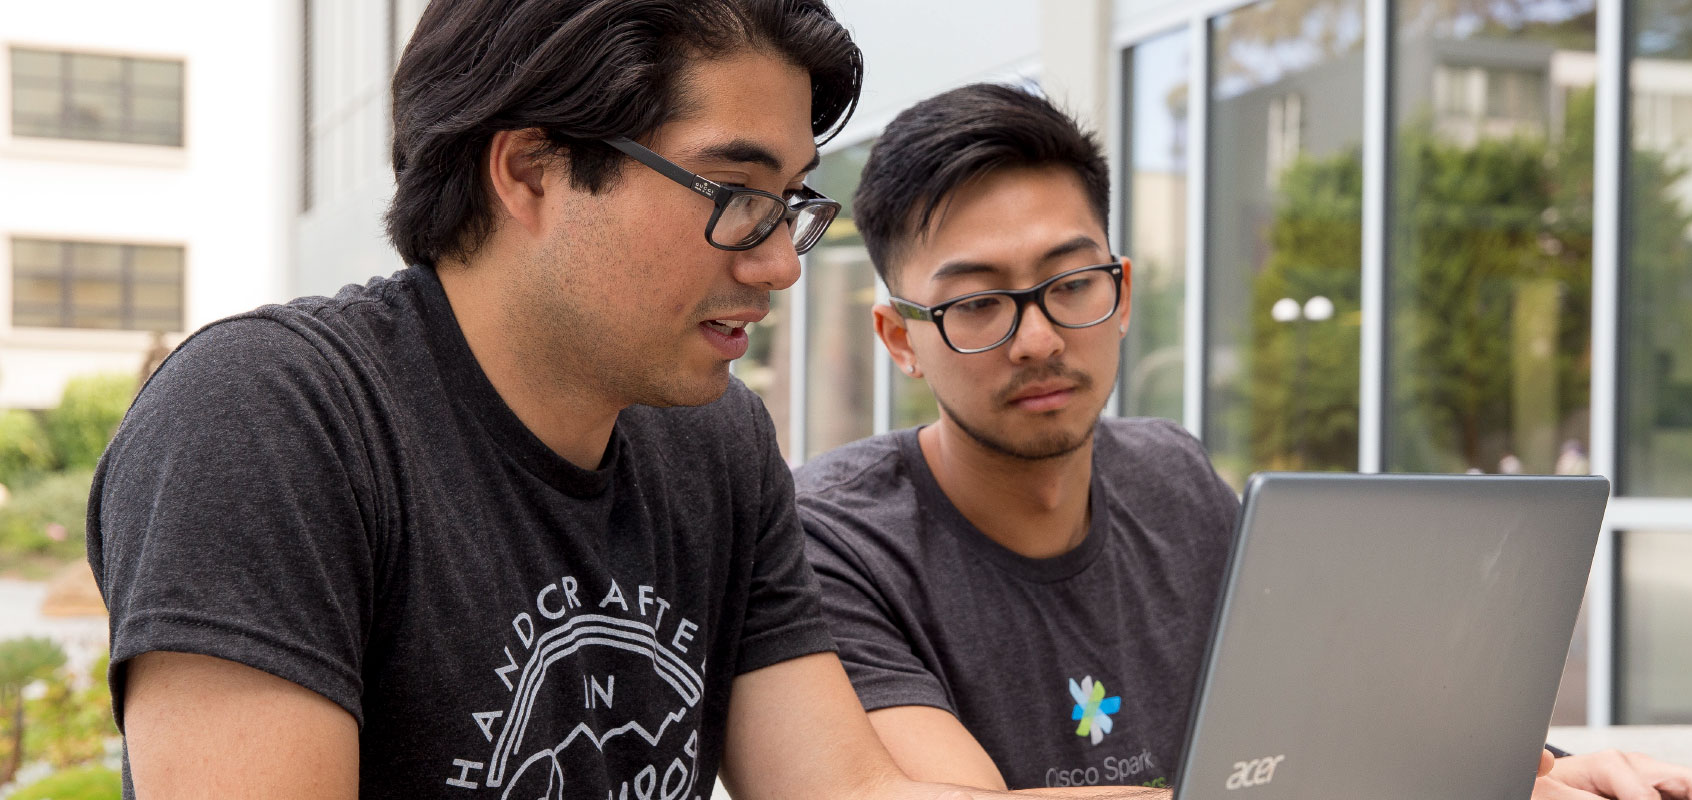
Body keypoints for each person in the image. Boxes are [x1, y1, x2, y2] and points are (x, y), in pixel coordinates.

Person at [87, 3, 1158, 798]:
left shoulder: (713, 437)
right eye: (737, 197)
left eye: (790, 204)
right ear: (531, 172)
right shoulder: (272, 417)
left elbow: (840, 787)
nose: (782, 263)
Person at [796, 83, 1692, 800]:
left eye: (1070, 282)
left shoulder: (1171, 475)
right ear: (900, 340)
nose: (1038, 337)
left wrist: (1551, 769)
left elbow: (1343, 695)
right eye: (976, 303)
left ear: (1119, 291)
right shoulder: (838, 539)